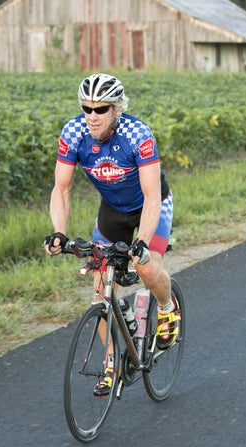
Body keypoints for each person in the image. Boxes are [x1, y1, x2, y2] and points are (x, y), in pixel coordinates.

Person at [44, 73, 179, 396]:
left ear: (117, 108)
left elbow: (151, 196)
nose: (92, 115)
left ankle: (166, 308)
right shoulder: (74, 132)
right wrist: (59, 233)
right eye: (86, 108)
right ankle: (112, 362)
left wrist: (142, 242)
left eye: (101, 108)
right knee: (101, 289)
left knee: (147, 266)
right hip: (112, 210)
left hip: (151, 205)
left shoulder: (137, 134)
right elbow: (61, 188)